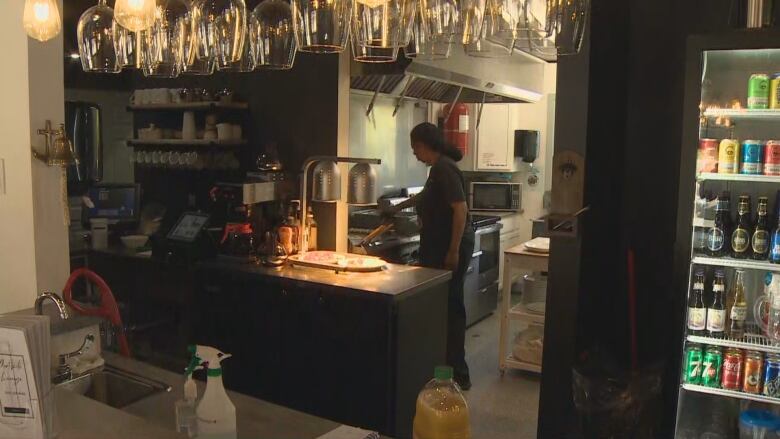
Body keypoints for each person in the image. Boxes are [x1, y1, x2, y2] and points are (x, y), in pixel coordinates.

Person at [383, 122, 475, 390]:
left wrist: (453, 251)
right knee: (444, 307)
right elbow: (424, 196)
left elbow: (460, 210)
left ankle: (457, 373)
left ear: (425, 145)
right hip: (440, 245)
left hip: (448, 246)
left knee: (449, 308)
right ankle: (445, 369)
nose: (414, 154)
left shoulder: (443, 168)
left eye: (415, 148)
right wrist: (396, 208)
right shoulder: (439, 168)